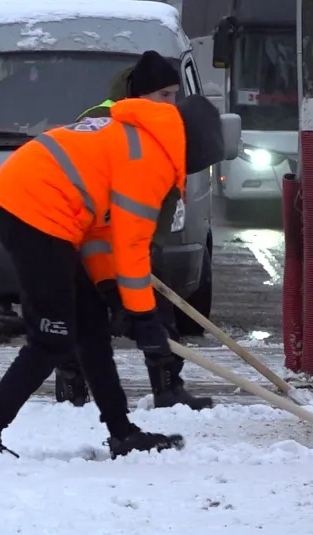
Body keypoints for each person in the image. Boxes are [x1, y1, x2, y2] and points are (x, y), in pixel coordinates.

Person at [0, 95, 225, 459]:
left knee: (92, 328)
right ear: (194, 149)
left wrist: (110, 289)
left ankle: (122, 432)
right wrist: (146, 321)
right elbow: (131, 246)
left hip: (42, 205)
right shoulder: (151, 160)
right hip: (36, 211)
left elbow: (100, 230)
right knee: (51, 339)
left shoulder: (141, 137)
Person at [74, 50, 214, 411]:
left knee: (157, 312)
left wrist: (150, 244)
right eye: (164, 95)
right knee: (86, 316)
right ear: (141, 94)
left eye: (175, 95)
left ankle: (168, 386)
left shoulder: (162, 128)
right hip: (95, 239)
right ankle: (72, 386)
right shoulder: (101, 120)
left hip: (139, 238)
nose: (172, 103)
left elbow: (164, 193)